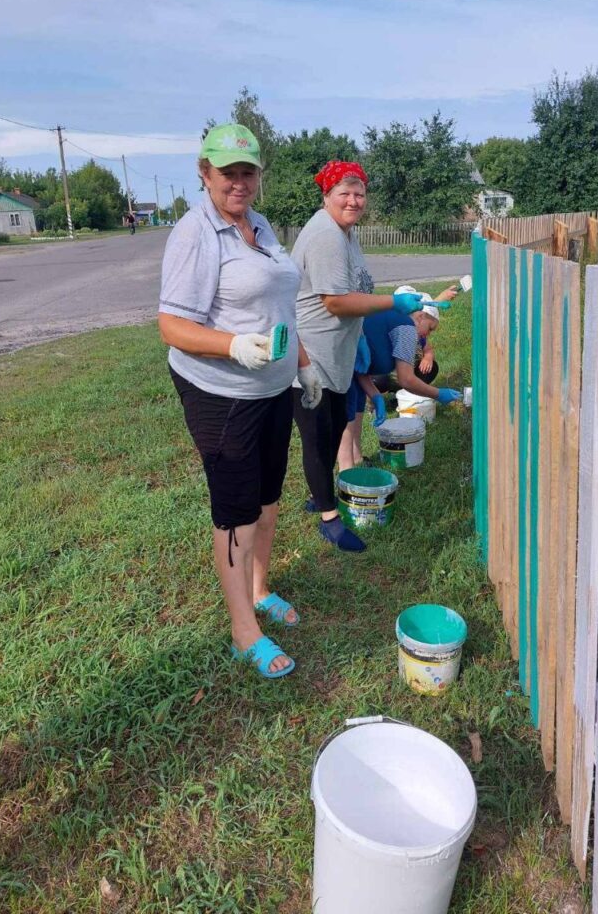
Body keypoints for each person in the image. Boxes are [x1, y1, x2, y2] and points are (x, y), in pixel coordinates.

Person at [158, 124, 321, 680]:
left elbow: (280, 307)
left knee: (269, 497)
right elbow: (171, 326)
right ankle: (242, 629)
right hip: (220, 391)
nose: (239, 182)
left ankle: (258, 588)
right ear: (205, 173)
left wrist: (303, 365)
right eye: (228, 172)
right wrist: (231, 344)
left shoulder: (260, 225)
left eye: (248, 171)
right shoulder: (194, 233)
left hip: (273, 386)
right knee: (236, 509)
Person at [290, 160, 425, 553]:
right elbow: (334, 301)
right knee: (318, 437)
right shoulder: (325, 236)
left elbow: (353, 289)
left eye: (359, 193)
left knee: (332, 430)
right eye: (344, 193)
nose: (353, 200)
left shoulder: (346, 234)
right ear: (326, 195)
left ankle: (321, 495)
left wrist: (360, 339)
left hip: (338, 352)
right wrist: (393, 303)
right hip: (310, 356)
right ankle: (329, 519)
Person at [338, 290, 462, 471]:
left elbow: (361, 369)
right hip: (339, 360)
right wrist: (438, 393)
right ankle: (346, 472)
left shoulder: (393, 320)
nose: (428, 335)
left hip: (348, 362)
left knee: (356, 404)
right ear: (420, 317)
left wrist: (375, 395)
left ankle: (356, 459)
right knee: (349, 411)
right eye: (430, 328)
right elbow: (407, 380)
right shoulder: (406, 328)